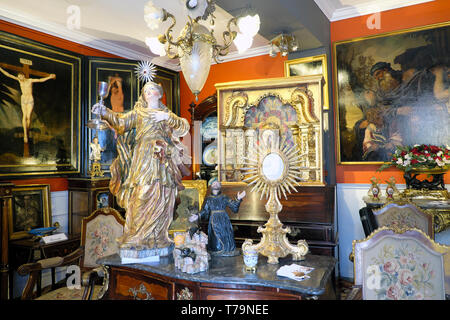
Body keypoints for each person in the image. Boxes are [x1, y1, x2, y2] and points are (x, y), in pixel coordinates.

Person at [92, 81, 190, 251]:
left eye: (152, 90)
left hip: (162, 158)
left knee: (163, 194)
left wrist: (166, 117)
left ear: (159, 93)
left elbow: (183, 127)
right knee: (142, 193)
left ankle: (158, 236)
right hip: (144, 157)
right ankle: (136, 236)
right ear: (143, 96)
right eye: (146, 91)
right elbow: (120, 122)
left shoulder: (167, 114)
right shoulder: (139, 113)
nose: (149, 93)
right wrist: (105, 112)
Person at [189, 181, 246, 256]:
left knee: (226, 234)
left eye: (217, 183)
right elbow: (205, 211)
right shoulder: (208, 199)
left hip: (224, 219)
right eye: (214, 183)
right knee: (215, 236)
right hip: (214, 220)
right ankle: (216, 250)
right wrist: (197, 215)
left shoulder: (224, 197)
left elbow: (233, 207)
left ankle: (227, 250)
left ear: (220, 186)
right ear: (211, 186)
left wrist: (238, 199)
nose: (215, 184)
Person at [0, 66, 55, 143]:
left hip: (29, 99)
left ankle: (27, 131)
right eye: (18, 77)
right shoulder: (19, 80)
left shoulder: (30, 80)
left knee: (28, 117)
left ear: (23, 76)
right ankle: (25, 134)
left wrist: (49, 77)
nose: (20, 78)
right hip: (23, 99)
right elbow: (8, 75)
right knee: (24, 116)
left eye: (21, 77)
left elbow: (40, 80)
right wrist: (1, 69)